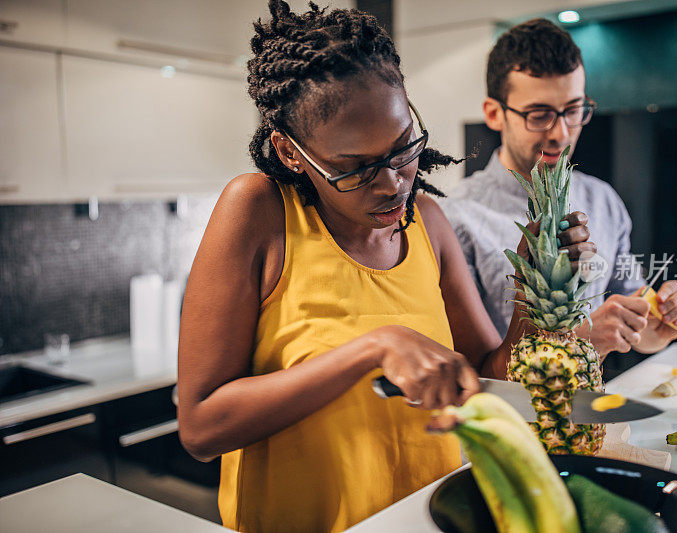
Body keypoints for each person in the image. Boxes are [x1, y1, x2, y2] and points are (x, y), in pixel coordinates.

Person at [176, 3, 593, 532]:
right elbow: (201, 427)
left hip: (431, 519)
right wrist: (373, 348)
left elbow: (489, 376)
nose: (393, 182)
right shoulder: (259, 211)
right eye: (355, 168)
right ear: (289, 151)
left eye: (403, 150)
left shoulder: (428, 222)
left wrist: (533, 288)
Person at [438, 18, 677, 359]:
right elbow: (477, 366)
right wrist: (582, 338)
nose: (560, 133)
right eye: (538, 114)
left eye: (573, 109)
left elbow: (636, 320)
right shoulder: (454, 217)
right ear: (494, 113)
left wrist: (660, 327)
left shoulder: (603, 200)